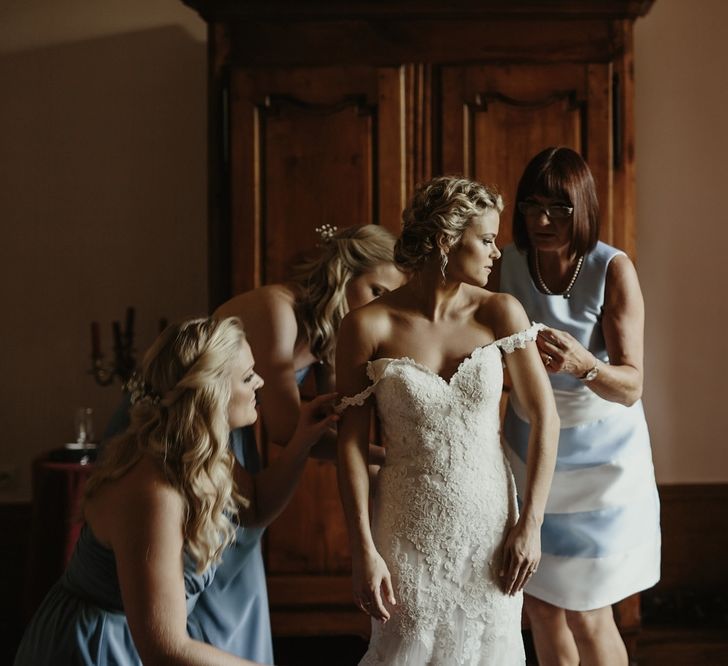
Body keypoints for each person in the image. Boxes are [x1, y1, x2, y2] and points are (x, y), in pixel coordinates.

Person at [14, 317, 338, 665]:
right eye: (247, 377)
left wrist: (302, 441)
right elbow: (166, 649)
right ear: (210, 393)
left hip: (139, 642)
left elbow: (254, 508)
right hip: (98, 647)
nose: (260, 382)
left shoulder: (197, 455)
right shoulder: (155, 491)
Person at [336, 176, 560, 665]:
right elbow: (350, 445)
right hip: (406, 524)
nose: (496, 253)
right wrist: (363, 549)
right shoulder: (366, 326)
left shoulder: (501, 313)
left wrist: (531, 524)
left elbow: (546, 417)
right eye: (485, 239)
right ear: (445, 239)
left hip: (491, 527)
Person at [187, 224, 406, 662]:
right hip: (192, 438)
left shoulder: (333, 334)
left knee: (238, 567)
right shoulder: (277, 308)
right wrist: (394, 458)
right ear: (344, 273)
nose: (378, 307)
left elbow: (339, 420)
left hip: (234, 443)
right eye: (375, 289)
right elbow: (287, 427)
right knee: (204, 566)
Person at [497, 146, 661, 666]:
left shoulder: (612, 269)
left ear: (582, 207)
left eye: (559, 208)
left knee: (591, 612)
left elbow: (632, 386)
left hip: (602, 459)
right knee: (541, 607)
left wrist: (584, 363)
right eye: (531, 206)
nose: (542, 220)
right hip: (529, 447)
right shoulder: (506, 263)